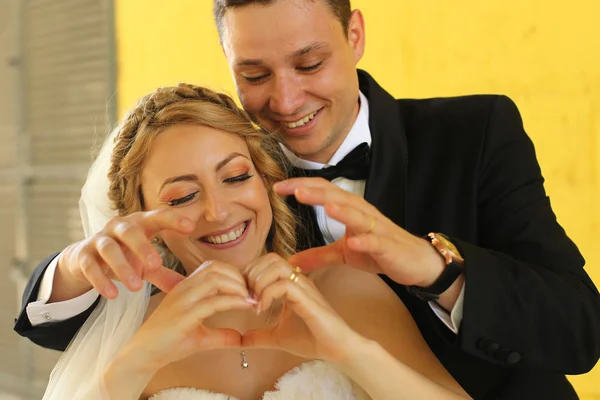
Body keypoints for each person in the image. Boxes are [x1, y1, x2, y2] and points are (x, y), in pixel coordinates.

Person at [14, 0, 600, 398]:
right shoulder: (236, 187)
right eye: (255, 74)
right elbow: (74, 334)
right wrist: (77, 263)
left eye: (309, 62)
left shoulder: (476, 132)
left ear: (355, 35)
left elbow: (578, 331)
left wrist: (431, 266)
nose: (287, 101)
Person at [41, 83, 470, 399]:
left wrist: (351, 351)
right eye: (183, 196)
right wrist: (133, 367)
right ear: (140, 220)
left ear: (265, 179)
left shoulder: (346, 290)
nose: (218, 210)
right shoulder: (130, 336)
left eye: (235, 177)